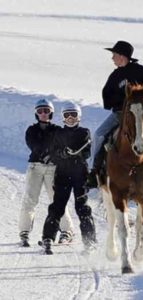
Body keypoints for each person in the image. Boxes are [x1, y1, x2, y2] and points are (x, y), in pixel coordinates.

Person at [88, 40, 143, 187]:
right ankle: (94, 171)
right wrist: (121, 102)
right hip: (120, 114)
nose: (112, 58)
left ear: (122, 56)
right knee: (99, 134)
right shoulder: (115, 76)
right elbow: (107, 96)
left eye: (114, 55)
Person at [41, 101, 96, 253]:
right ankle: (48, 237)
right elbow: (53, 153)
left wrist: (76, 153)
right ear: (63, 117)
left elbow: (87, 153)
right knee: (57, 206)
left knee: (82, 208)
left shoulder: (84, 132)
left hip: (80, 175)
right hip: (63, 175)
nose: (70, 118)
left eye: (73, 115)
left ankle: (90, 241)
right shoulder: (58, 133)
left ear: (79, 117)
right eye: (67, 115)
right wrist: (61, 154)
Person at [19, 99, 74, 247]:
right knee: (30, 199)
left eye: (46, 111)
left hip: (52, 168)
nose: (43, 114)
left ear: (51, 113)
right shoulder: (31, 130)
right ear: (36, 114)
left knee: (57, 200)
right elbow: (33, 144)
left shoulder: (57, 130)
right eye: (40, 111)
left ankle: (67, 231)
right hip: (35, 167)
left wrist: (54, 156)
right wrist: (45, 154)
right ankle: (24, 232)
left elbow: (62, 146)